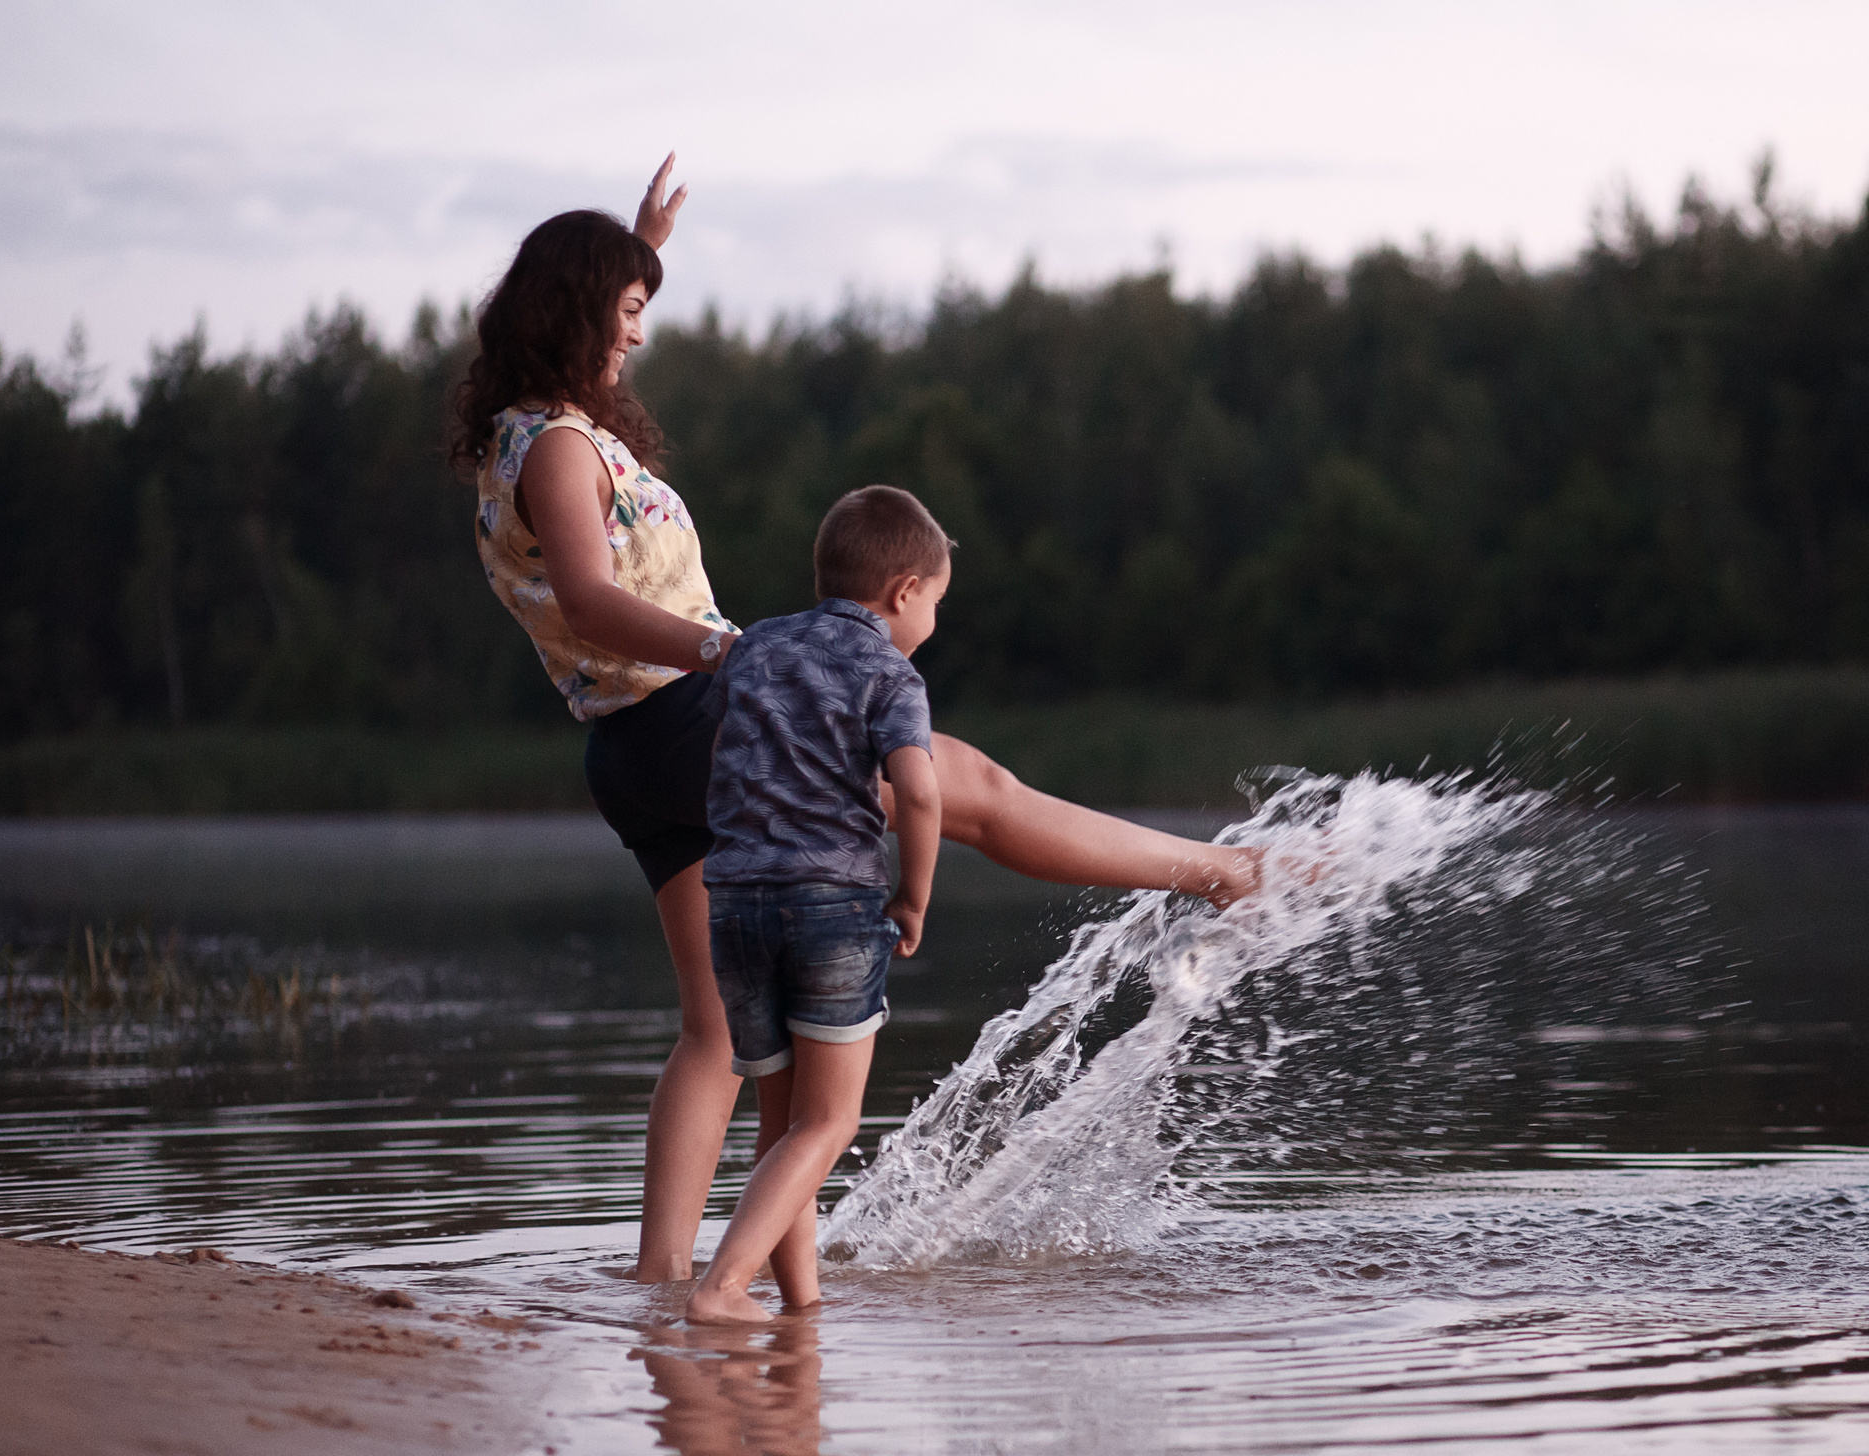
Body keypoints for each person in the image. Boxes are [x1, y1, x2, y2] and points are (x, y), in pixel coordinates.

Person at [451, 156, 1261, 1285]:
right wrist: (725, 651)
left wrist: (640, 250)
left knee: (716, 1032)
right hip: (696, 711)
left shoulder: (519, 439)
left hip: (635, 748)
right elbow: (588, 598)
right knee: (971, 790)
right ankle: (1221, 872)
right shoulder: (560, 449)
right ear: (575, 310)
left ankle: (662, 1282)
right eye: (625, 312)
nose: (636, 334)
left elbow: (583, 573)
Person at [686, 485, 947, 1322]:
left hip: (734, 904)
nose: (932, 622)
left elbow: (726, 749)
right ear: (905, 591)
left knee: (784, 1129)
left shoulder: (756, 646)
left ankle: (801, 1307)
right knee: (830, 1123)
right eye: (935, 604)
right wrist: (913, 896)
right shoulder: (891, 671)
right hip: (833, 905)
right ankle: (722, 1288)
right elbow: (920, 794)